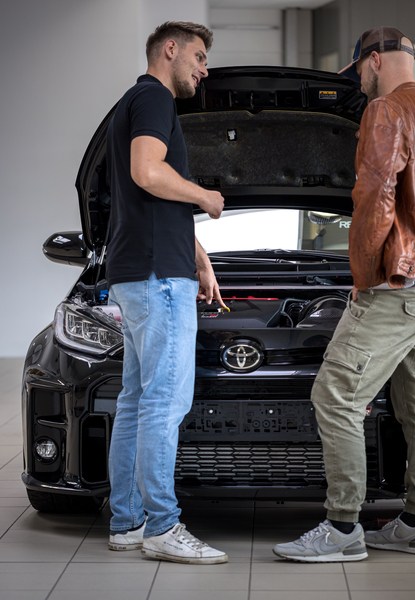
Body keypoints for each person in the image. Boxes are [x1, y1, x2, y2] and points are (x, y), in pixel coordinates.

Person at [273, 26, 415, 562]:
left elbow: (375, 197)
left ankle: (342, 529)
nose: (358, 81)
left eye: (358, 69)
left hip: (395, 283)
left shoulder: (386, 110)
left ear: (375, 60)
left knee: (335, 396)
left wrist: (363, 279)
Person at [105, 21, 228, 565]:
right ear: (170, 50)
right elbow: (148, 174)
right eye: (199, 57)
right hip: (158, 278)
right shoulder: (155, 99)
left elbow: (152, 201)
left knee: (135, 401)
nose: (204, 69)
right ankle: (162, 525)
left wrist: (198, 258)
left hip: (139, 270)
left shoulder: (132, 101)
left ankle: (128, 521)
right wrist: (205, 196)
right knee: (163, 402)